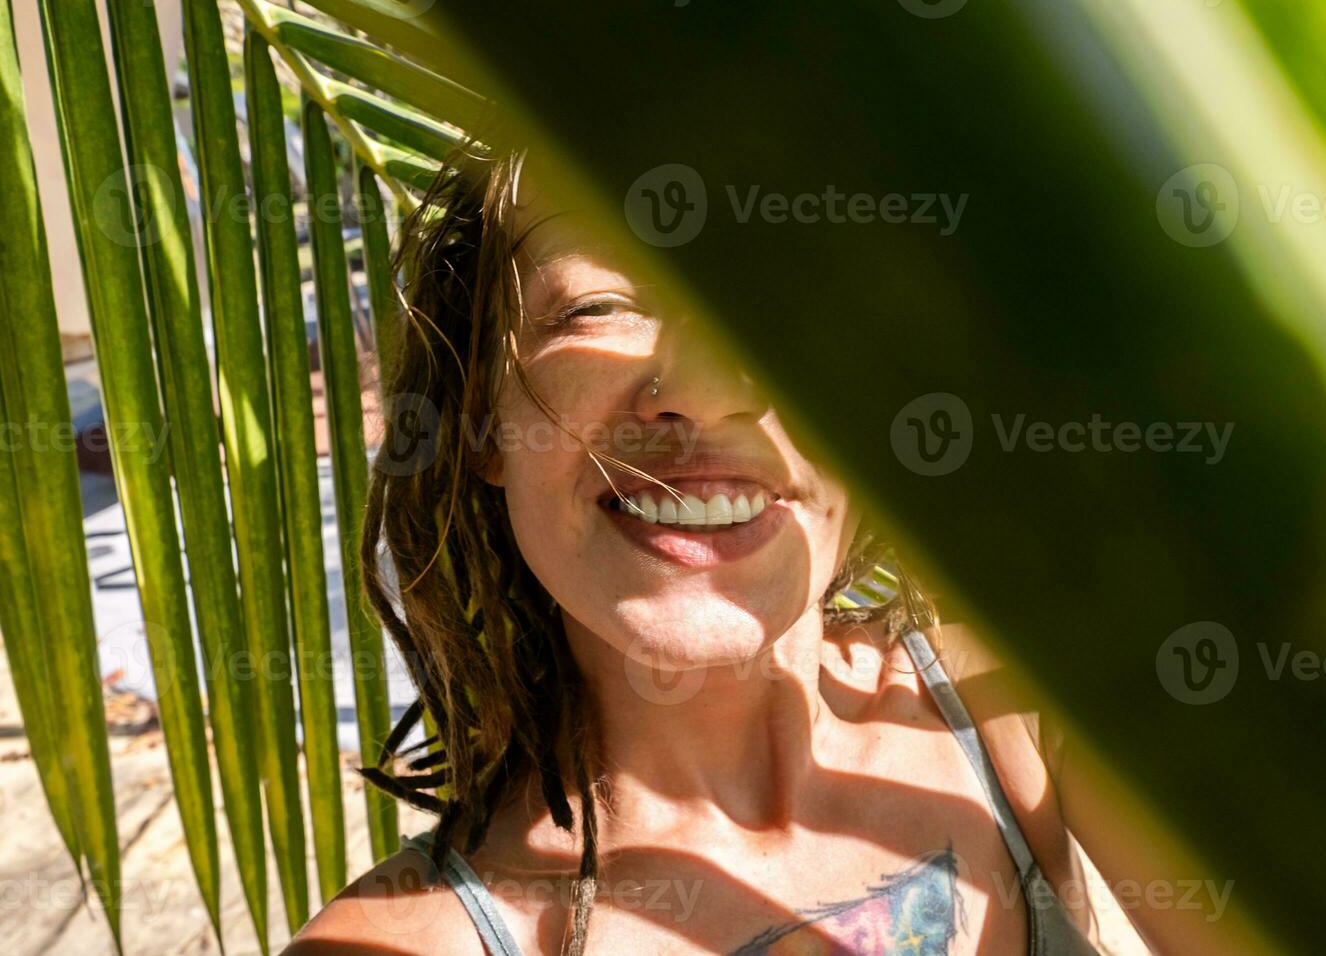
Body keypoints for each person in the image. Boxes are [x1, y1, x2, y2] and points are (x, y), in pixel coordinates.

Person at [285, 146, 1232, 955]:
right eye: (599, 307)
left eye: (787, 310)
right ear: (482, 425)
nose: (702, 386)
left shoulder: (1026, 710)